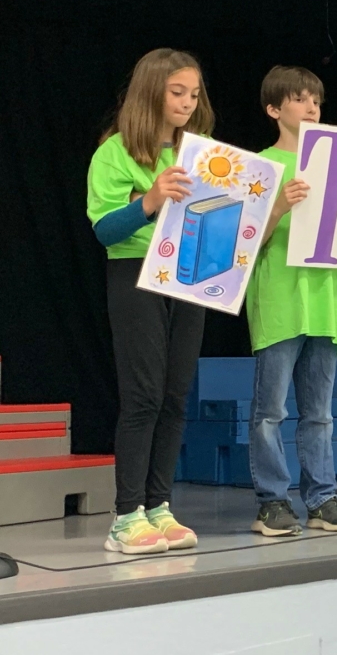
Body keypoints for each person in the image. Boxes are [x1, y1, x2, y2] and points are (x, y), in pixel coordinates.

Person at [87, 49, 214, 553]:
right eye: (177, 92)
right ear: (150, 92)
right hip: (136, 272)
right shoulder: (115, 152)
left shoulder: (199, 155)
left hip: (188, 275)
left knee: (175, 395)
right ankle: (126, 516)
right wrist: (151, 200)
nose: (187, 103)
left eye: (194, 94)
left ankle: (159, 505)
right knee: (142, 395)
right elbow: (105, 229)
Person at [245, 66, 337, 536]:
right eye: (300, 99)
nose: (312, 108)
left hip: (324, 299)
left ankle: (322, 498)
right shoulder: (260, 166)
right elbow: (243, 243)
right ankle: (272, 501)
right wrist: (279, 205)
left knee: (319, 412)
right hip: (280, 298)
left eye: (316, 101)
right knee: (270, 411)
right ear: (273, 109)